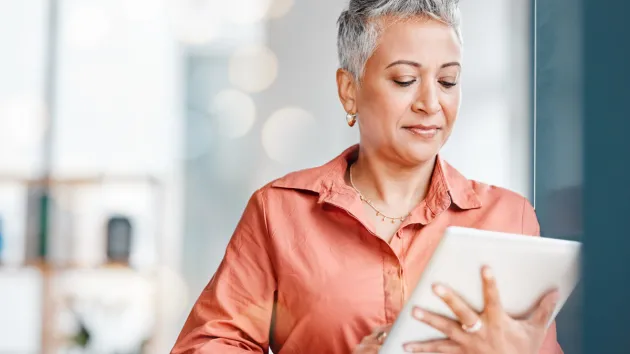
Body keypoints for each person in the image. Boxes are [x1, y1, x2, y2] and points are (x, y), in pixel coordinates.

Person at [172, 0, 563, 353]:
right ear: (349, 91)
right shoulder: (279, 211)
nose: (431, 103)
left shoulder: (511, 219)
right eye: (405, 80)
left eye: (447, 82)